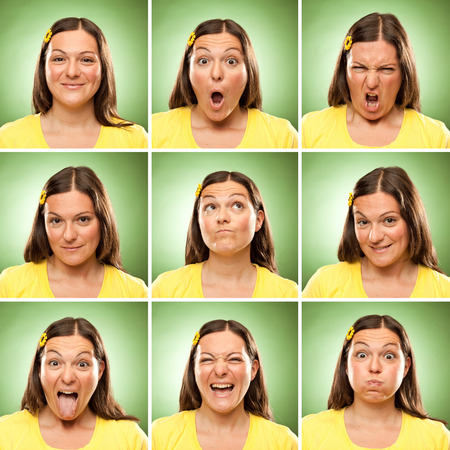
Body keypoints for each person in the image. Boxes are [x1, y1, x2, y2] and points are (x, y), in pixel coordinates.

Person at [302, 12, 450, 148]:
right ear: (344, 69)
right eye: (359, 68)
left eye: (386, 69)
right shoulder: (309, 129)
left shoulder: (437, 137)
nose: (372, 83)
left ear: (404, 74)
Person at [302, 314, 450, 449]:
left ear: (406, 367)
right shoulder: (307, 431)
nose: (374, 367)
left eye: (389, 356)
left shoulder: (436, 436)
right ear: (346, 365)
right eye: (361, 354)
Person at [0, 317, 148, 449]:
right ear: (39, 369)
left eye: (82, 364)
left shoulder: (130, 438)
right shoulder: (4, 433)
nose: (67, 378)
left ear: (100, 371)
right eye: (55, 362)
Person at [0, 166, 148, 298]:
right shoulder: (9, 285)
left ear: (103, 221)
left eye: (82, 219)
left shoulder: (135, 291)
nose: (69, 236)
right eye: (56, 221)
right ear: (43, 224)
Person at [302, 166, 450, 298]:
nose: (374, 237)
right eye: (363, 222)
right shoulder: (324, 283)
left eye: (389, 220)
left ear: (413, 221)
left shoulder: (444, 290)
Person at [0, 17, 147, 148]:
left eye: (86, 60)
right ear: (43, 67)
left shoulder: (136, 139)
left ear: (103, 69)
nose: (72, 72)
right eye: (59, 59)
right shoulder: (7, 138)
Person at [152, 319, 298, 449]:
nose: (220, 370)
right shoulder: (158, 436)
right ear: (194, 370)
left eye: (234, 359)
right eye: (207, 359)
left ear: (253, 370)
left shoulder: (284, 442)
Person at [152, 19, 298, 148]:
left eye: (231, 61)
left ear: (248, 70)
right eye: (204, 61)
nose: (216, 74)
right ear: (187, 70)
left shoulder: (282, 135)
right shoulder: (155, 130)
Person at [152, 171, 298, 298]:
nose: (222, 217)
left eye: (237, 205)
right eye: (211, 207)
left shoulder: (288, 293)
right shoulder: (165, 289)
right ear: (198, 220)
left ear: (258, 220)